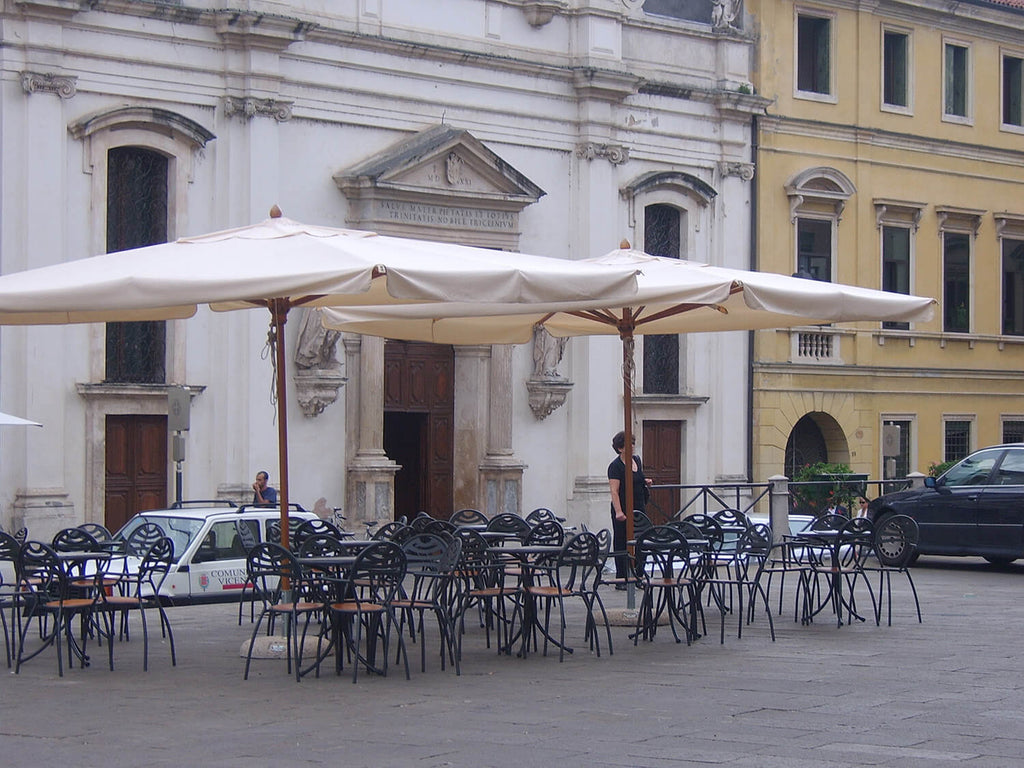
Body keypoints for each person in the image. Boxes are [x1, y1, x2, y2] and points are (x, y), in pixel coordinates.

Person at [607, 430, 654, 589]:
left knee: (642, 540)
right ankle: (621, 578)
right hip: (623, 508)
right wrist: (619, 512)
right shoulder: (615, 466)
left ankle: (639, 575)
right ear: (620, 448)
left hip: (639, 507)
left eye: (633, 443)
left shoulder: (636, 460)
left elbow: (638, 478)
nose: (633, 446)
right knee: (621, 542)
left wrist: (645, 481)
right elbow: (614, 491)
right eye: (629, 444)